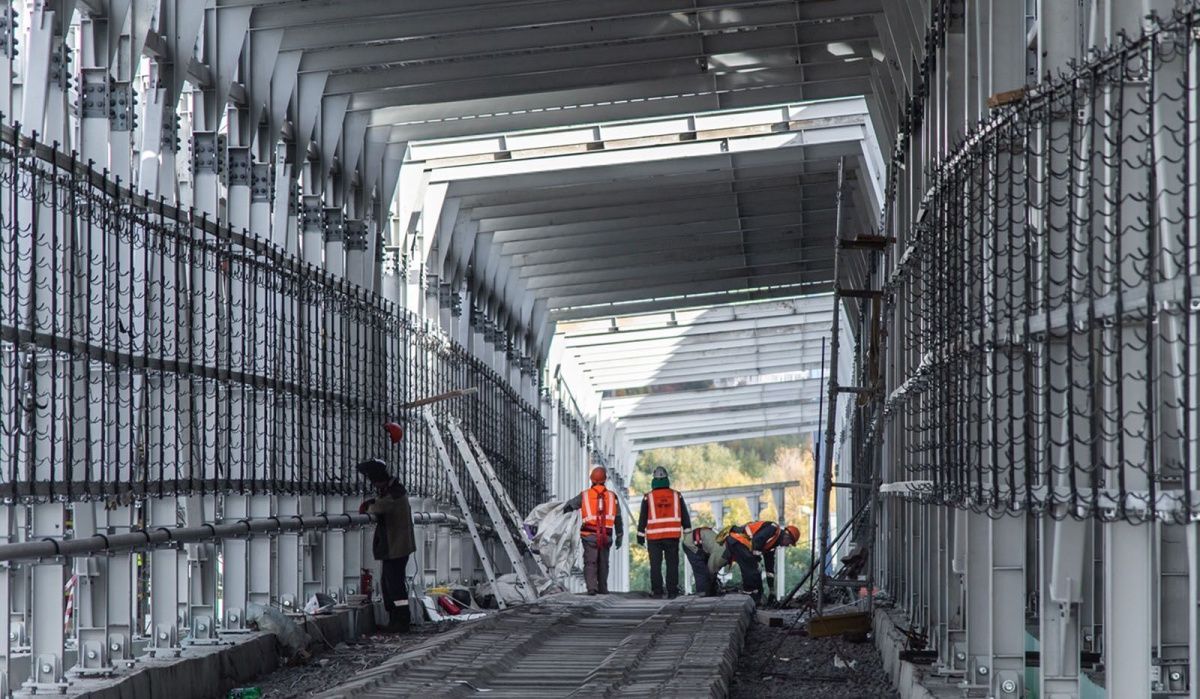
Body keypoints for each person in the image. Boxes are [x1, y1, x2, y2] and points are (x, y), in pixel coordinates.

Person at [357, 459, 417, 632]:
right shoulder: (395, 490)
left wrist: (368, 506)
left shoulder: (394, 494)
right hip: (396, 548)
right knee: (390, 584)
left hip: (395, 548)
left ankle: (401, 620)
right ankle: (397, 619)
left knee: (394, 586)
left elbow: (379, 508)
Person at [561, 466, 624, 595]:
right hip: (606, 536)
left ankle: (591, 588)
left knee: (590, 562)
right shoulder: (613, 497)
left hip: (589, 535)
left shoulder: (584, 496)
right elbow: (618, 519)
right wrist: (619, 536)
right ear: (605, 480)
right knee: (603, 562)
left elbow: (569, 506)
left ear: (592, 480)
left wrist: (560, 513)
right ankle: (602, 588)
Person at [636, 466, 691, 598]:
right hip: (672, 536)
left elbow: (643, 517)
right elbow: (685, 515)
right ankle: (672, 591)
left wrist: (640, 535)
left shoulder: (648, 497)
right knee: (672, 564)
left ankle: (657, 592)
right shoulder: (676, 495)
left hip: (654, 537)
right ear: (667, 479)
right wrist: (688, 532)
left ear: (654, 480)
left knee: (655, 565)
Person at [722, 520, 800, 604]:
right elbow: (757, 541)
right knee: (753, 572)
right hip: (738, 540)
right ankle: (749, 597)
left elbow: (769, 568)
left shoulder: (772, 544)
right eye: (789, 543)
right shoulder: (773, 528)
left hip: (743, 546)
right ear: (787, 536)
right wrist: (757, 562)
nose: (787, 546)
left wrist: (771, 590)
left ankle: (756, 599)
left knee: (756, 576)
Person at [681, 526, 725, 597]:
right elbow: (711, 569)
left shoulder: (723, 547)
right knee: (701, 570)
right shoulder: (721, 551)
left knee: (706, 570)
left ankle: (709, 591)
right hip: (690, 545)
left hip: (700, 543)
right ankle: (703, 592)